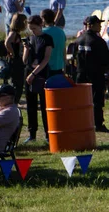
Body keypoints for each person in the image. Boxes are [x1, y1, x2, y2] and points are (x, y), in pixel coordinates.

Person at [75, 16, 109, 133]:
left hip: (81, 74)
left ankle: (82, 122)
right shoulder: (98, 41)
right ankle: (98, 124)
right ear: (91, 25)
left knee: (81, 100)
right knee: (97, 100)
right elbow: (106, 58)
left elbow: (74, 57)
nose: (100, 26)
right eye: (98, 24)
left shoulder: (79, 39)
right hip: (95, 74)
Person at [23, 15, 53, 143]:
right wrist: (25, 49)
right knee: (31, 104)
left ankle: (48, 134)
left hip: (41, 73)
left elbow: (46, 59)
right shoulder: (30, 38)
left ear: (40, 25)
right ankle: (32, 133)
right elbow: (24, 61)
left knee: (45, 105)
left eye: (34, 28)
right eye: (30, 29)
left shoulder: (47, 39)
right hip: (29, 72)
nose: (32, 31)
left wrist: (34, 74)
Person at [5, 13, 27, 104]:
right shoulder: (13, 33)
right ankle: (13, 102)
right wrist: (13, 53)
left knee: (19, 82)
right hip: (15, 60)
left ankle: (15, 101)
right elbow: (7, 43)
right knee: (17, 83)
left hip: (18, 60)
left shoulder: (16, 33)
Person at [41, 9, 66, 77]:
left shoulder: (42, 32)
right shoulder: (61, 32)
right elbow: (64, 49)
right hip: (59, 65)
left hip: (46, 66)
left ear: (43, 19)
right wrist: (65, 63)